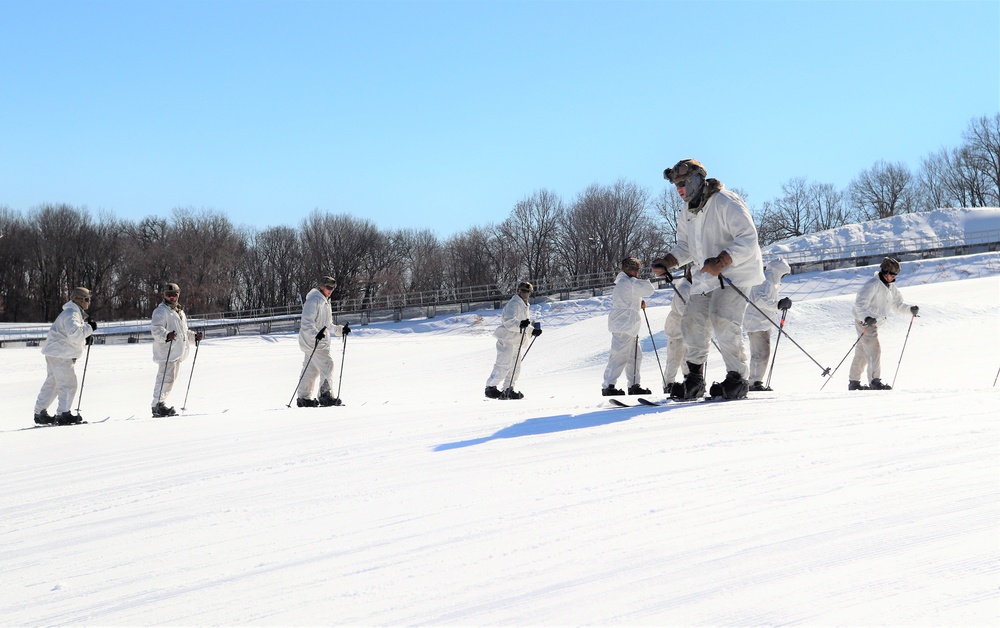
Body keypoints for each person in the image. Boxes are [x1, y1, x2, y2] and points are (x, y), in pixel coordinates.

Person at [652, 158, 764, 401]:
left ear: (696, 179)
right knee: (692, 321)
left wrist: (723, 260)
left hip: (734, 273)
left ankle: (737, 378)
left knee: (723, 318)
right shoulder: (688, 211)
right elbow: (686, 246)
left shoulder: (725, 201)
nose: (679, 189)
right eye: (676, 186)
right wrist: (669, 261)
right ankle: (694, 379)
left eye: (682, 183)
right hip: (705, 277)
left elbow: (748, 238)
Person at [849, 257, 918, 391]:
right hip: (865, 322)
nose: (893, 278)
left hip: (873, 322)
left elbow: (897, 304)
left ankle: (854, 382)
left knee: (862, 352)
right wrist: (866, 317)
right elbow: (860, 305)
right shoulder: (872, 285)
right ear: (884, 272)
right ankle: (875, 381)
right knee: (874, 350)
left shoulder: (891, 287)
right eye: (891, 275)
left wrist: (910, 309)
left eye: (895, 275)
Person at [33, 287, 96, 425]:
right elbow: (74, 334)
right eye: (87, 299)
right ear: (79, 299)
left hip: (56, 352)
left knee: (53, 383)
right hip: (61, 354)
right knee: (68, 384)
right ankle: (63, 414)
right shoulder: (72, 313)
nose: (89, 302)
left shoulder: (71, 312)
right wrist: (89, 328)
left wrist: (85, 339)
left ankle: (40, 413)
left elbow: (71, 333)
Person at [602, 257, 655, 396]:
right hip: (624, 325)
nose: (638, 272)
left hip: (629, 326)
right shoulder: (628, 282)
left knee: (635, 357)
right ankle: (608, 385)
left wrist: (638, 302)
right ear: (630, 270)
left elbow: (632, 297)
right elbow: (649, 290)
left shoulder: (626, 282)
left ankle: (634, 385)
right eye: (637, 269)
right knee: (619, 356)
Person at [150, 282, 203, 417]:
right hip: (167, 352)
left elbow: (183, 332)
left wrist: (194, 337)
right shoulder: (161, 311)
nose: (172, 297)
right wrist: (166, 335)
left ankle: (160, 403)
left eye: (174, 294)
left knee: (170, 379)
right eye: (169, 295)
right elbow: (156, 329)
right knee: (165, 379)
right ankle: (157, 405)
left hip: (176, 352)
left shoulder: (179, 311)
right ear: (164, 295)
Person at [296, 276, 350, 407]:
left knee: (311, 369)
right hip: (313, 342)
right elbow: (306, 323)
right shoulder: (314, 300)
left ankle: (303, 398)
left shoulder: (325, 301)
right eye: (328, 287)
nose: (330, 290)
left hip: (314, 342)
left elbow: (327, 325)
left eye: (332, 288)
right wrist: (316, 335)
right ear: (321, 286)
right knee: (327, 364)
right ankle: (325, 395)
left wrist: (339, 330)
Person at [485, 281, 541, 400]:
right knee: (504, 363)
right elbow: (509, 321)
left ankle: (508, 389)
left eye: (527, 291)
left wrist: (532, 331)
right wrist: (521, 324)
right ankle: (490, 387)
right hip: (507, 339)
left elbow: (524, 324)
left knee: (516, 367)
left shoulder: (525, 305)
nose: (525, 293)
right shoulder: (513, 304)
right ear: (518, 291)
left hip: (517, 340)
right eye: (523, 290)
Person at [744, 259, 792, 391]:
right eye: (783, 274)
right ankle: (755, 382)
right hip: (758, 322)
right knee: (762, 353)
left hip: (761, 322)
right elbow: (759, 299)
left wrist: (780, 305)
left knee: (759, 353)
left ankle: (754, 381)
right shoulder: (766, 281)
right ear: (778, 271)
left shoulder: (771, 282)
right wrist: (777, 305)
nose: (783, 277)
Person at [662, 265, 692, 395]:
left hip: (687, 325)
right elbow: (681, 307)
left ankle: (688, 380)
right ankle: (669, 384)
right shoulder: (684, 287)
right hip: (677, 325)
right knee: (675, 356)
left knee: (687, 355)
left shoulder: (692, 287)